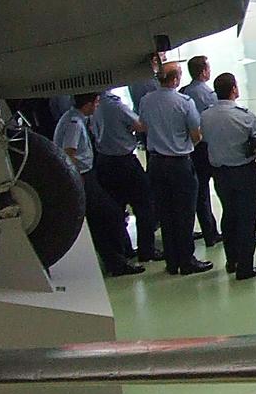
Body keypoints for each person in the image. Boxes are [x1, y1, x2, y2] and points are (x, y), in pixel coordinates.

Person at [54, 94, 143, 278]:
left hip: (86, 174)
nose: (97, 106)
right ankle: (117, 262)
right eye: (95, 103)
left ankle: (115, 258)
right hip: (83, 176)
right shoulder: (75, 123)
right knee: (109, 215)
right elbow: (69, 152)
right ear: (87, 104)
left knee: (102, 219)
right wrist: (75, 180)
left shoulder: (72, 118)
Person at [141, 61, 213, 276]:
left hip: (155, 162)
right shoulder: (184, 102)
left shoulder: (146, 100)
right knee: (184, 213)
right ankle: (186, 258)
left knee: (165, 212)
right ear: (174, 79)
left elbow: (143, 126)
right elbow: (196, 135)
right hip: (179, 163)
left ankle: (172, 260)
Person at [201, 72, 256, 280]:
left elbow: (202, 139)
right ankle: (245, 266)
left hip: (220, 174)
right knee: (247, 219)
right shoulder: (244, 116)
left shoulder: (206, 116)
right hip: (244, 172)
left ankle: (232, 260)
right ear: (234, 90)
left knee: (229, 215)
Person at [91, 86, 161, 262]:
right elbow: (140, 125)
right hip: (124, 161)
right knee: (145, 204)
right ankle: (147, 250)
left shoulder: (94, 105)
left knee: (116, 208)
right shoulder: (115, 105)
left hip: (104, 160)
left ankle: (125, 249)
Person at [182, 54, 223, 246]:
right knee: (224, 188)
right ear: (204, 71)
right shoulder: (210, 96)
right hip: (209, 146)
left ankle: (209, 232)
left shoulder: (184, 93)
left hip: (192, 149)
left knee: (201, 193)